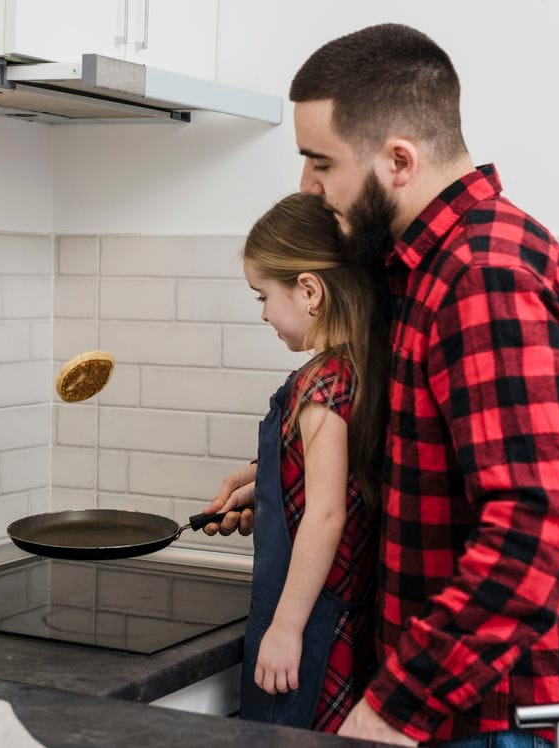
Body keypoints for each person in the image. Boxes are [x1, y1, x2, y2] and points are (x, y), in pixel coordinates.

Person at [206, 23, 559, 747]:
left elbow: (533, 530)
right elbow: (438, 462)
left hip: (498, 716)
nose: (307, 186)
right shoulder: (424, 268)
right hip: (468, 708)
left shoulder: (481, 276)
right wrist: (284, 479)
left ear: (398, 159)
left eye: (319, 162)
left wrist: (396, 704)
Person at [205, 192, 389, 732]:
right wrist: (266, 482)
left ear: (309, 290)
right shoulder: (363, 366)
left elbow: (326, 514)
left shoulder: (320, 385)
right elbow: (340, 483)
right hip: (348, 624)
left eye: (263, 295)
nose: (264, 313)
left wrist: (283, 629)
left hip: (308, 627)